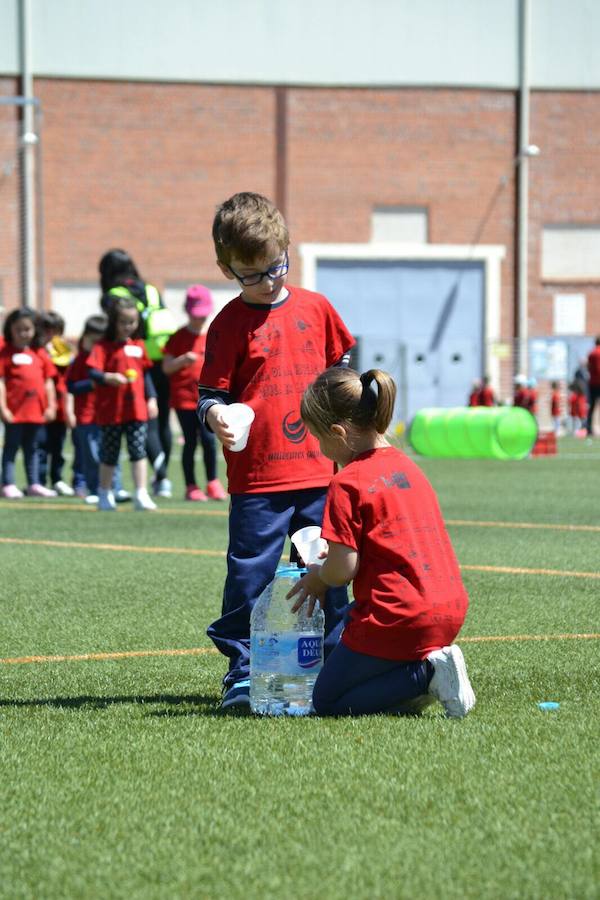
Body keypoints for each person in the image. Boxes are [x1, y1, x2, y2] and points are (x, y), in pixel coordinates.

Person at [198, 191, 355, 710]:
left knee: (328, 570)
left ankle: (335, 665)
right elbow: (209, 395)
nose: (269, 281)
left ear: (287, 249)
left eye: (276, 267)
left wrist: (351, 409)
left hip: (319, 472)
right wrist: (217, 416)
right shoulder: (226, 324)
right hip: (259, 481)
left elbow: (341, 370)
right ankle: (242, 671)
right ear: (227, 268)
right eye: (252, 274)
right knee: (249, 576)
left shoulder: (317, 308)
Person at [287, 366, 476, 718]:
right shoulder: (409, 467)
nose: (321, 450)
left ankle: (428, 675)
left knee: (326, 700)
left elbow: (342, 570)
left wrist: (316, 577)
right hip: (447, 609)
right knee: (346, 659)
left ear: (337, 432)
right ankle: (428, 671)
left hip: (397, 615)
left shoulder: (348, 482)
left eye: (318, 439)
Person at [99, 248, 176, 497]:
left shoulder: (114, 295)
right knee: (162, 419)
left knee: (142, 421)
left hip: (133, 362)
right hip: (162, 358)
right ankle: (162, 479)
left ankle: (156, 476)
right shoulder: (151, 289)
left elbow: (110, 330)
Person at [86, 296, 158, 511]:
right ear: (113, 322)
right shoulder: (102, 346)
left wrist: (152, 398)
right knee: (110, 453)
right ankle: (104, 493)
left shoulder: (138, 345)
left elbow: (145, 376)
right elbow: (93, 372)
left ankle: (141, 493)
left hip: (136, 410)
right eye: (124, 322)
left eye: (132, 322)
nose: (129, 327)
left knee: (138, 451)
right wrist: (108, 377)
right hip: (111, 411)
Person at [162, 284, 227, 502]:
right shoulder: (178, 337)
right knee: (190, 442)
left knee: (209, 440)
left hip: (208, 400)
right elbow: (166, 366)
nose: (199, 319)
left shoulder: (214, 335)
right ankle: (191, 486)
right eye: (195, 315)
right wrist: (182, 360)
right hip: (184, 400)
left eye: (202, 315)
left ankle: (212, 482)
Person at [0, 307, 58, 498]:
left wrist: (50, 405)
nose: (23, 334)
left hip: (36, 412)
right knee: (11, 447)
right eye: (19, 329)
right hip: (15, 412)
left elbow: (49, 382)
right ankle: (7, 483)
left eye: (27, 329)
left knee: (33, 448)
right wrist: (3, 408)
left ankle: (34, 483)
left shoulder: (39, 353)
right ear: (10, 330)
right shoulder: (5, 353)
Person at [37, 310, 76, 496]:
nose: (52, 336)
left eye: (56, 331)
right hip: (41, 409)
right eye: (47, 331)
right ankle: (39, 480)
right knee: (41, 446)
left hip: (60, 409)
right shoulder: (36, 352)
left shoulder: (64, 352)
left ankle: (57, 479)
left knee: (58, 447)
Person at [585, 336, 600, 436]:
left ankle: (589, 429)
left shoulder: (591, 353)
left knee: (592, 406)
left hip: (592, 383)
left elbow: (589, 367)